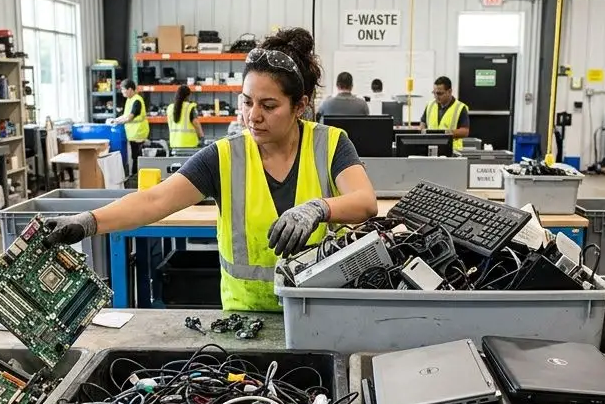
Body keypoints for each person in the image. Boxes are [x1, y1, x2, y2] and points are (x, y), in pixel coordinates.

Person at [45, 27, 379, 312]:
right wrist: (88, 222)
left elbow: (365, 202)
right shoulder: (224, 157)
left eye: (269, 105)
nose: (253, 116)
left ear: (300, 106)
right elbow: (154, 201)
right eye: (246, 102)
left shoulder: (331, 144)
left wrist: (318, 208)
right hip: (246, 318)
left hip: (317, 311)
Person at [419, 76, 470, 151]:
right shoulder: (430, 105)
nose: (436, 96)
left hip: (452, 152)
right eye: (434, 93)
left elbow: (465, 131)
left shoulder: (460, 107)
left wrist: (446, 134)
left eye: (439, 93)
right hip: (431, 150)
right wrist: (423, 133)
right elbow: (423, 123)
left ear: (449, 91)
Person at [113, 78, 149, 171]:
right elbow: (126, 115)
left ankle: (136, 176)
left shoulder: (137, 101)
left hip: (139, 133)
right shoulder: (130, 100)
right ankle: (135, 175)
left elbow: (130, 117)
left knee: (137, 157)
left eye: (123, 89)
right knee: (135, 156)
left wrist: (117, 122)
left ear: (129, 89)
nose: (122, 92)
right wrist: (115, 120)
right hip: (133, 134)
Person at [166, 84, 204, 149]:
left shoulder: (170, 108)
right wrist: (202, 137)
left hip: (174, 144)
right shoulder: (189, 107)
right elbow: (196, 123)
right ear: (188, 95)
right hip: (189, 144)